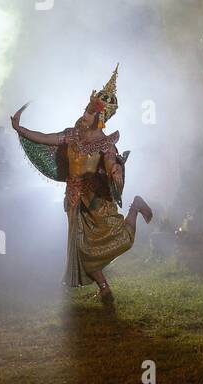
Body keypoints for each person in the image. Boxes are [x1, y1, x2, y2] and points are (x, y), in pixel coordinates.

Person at [11, 65, 153, 305]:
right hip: (74, 198)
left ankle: (135, 207)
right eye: (85, 111)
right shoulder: (71, 135)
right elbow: (46, 138)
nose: (83, 116)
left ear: (100, 117)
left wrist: (115, 169)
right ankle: (105, 289)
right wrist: (21, 129)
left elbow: (110, 162)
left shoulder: (106, 144)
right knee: (80, 247)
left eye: (89, 113)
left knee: (121, 240)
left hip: (95, 198)